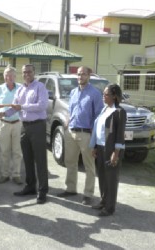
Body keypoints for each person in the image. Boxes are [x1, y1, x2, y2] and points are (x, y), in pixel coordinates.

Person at [57, 66, 104, 206]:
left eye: (83, 74)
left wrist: (94, 137)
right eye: (78, 74)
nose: (80, 77)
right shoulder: (73, 92)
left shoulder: (95, 94)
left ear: (89, 75)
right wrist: (67, 120)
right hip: (71, 131)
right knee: (70, 162)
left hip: (86, 134)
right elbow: (71, 110)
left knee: (89, 166)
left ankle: (88, 194)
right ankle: (71, 189)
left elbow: (98, 117)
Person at [3, 64, 49, 204]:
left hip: (38, 127)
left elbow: (42, 105)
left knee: (40, 160)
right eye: (24, 72)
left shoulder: (40, 87)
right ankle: (30, 186)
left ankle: (42, 191)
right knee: (27, 159)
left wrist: (22, 107)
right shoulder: (21, 89)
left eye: (29, 71)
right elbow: (14, 107)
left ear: (34, 72)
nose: (26, 74)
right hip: (24, 127)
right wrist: (1, 114)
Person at [89, 83, 126, 216]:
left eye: (106, 94)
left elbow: (120, 135)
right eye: (103, 94)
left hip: (111, 150)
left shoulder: (120, 112)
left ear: (114, 96)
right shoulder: (104, 109)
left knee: (111, 179)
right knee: (102, 177)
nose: (103, 96)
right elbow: (98, 129)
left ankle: (110, 208)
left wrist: (115, 154)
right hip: (100, 147)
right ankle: (103, 201)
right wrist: (94, 146)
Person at [0, 65, 23, 185]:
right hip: (4, 123)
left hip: (17, 123)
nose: (8, 77)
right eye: (6, 75)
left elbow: (23, 105)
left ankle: (16, 175)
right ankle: (4, 174)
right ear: (4, 76)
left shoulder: (20, 88)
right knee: (4, 151)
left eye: (11, 75)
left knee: (17, 151)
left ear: (15, 76)